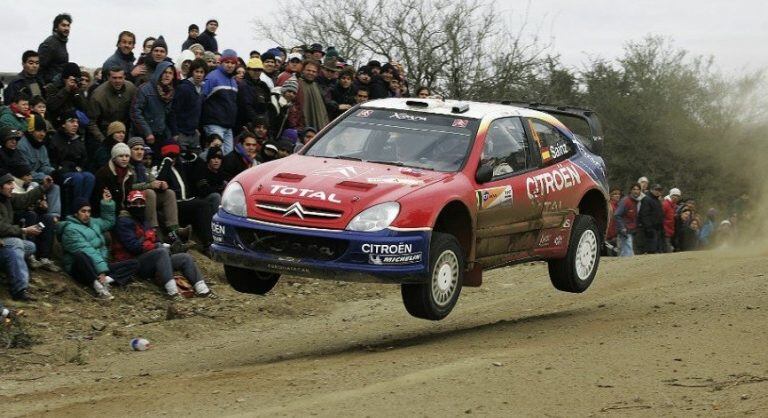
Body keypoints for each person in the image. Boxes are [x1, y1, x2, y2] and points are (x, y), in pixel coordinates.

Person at [112, 190, 213, 300]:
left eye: (141, 203)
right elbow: (133, 247)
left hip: (153, 260)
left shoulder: (144, 221)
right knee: (161, 251)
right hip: (133, 263)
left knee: (185, 258)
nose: (139, 206)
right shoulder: (123, 222)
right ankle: (172, 292)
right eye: (135, 203)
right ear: (128, 205)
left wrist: (164, 245)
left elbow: (152, 239)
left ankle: (203, 290)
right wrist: (156, 246)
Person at [59, 191, 139, 300]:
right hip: (81, 268)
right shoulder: (70, 229)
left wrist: (107, 204)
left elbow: (109, 222)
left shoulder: (93, 222)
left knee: (134, 263)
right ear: (75, 213)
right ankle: (99, 288)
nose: (87, 214)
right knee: (80, 256)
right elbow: (87, 250)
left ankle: (106, 280)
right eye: (83, 211)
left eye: (89, 211)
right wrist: (101, 270)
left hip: (99, 265)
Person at [0, 168, 55, 301]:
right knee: (17, 243)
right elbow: (1, 227)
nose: (13, 186)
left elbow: (24, 199)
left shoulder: (7, 198)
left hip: (3, 243)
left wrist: (43, 188)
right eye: (9, 184)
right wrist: (23, 230)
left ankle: (9, 273)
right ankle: (19, 290)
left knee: (30, 246)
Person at [153, 143, 214, 252]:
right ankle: (208, 244)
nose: (173, 159)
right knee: (202, 205)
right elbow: (158, 182)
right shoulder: (159, 167)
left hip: (187, 202)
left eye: (175, 156)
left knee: (208, 202)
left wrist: (188, 154)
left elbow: (197, 163)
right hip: (173, 205)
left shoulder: (181, 167)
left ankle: (208, 242)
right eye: (170, 156)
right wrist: (166, 162)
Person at [126, 137, 186, 241]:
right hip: (132, 200)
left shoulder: (142, 167)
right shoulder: (127, 166)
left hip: (146, 198)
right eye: (136, 149)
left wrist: (161, 184)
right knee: (150, 193)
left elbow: (152, 180)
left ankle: (174, 230)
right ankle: (153, 229)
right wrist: (149, 185)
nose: (140, 152)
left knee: (169, 193)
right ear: (129, 151)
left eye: (141, 149)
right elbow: (129, 187)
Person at [10, 163, 60, 272]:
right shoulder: (12, 186)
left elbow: (37, 203)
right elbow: (20, 202)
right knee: (30, 215)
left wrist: (41, 205)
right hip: (18, 218)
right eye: (27, 175)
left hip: (34, 215)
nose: (30, 177)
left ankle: (44, 257)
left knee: (48, 218)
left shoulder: (32, 185)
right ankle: (30, 256)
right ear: (20, 176)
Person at [48, 111, 95, 215]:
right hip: (61, 174)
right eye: (72, 121)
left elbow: (84, 160)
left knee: (90, 177)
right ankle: (75, 211)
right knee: (78, 178)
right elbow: (53, 161)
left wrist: (80, 167)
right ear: (63, 124)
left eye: (77, 122)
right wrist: (63, 169)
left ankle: (84, 207)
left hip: (76, 171)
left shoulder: (78, 140)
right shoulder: (55, 139)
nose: (75, 124)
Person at [17, 115, 62, 218]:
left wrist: (52, 172)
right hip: (25, 181)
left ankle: (53, 217)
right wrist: (44, 177)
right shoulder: (22, 145)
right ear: (31, 131)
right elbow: (26, 172)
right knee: (36, 185)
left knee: (55, 187)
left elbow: (45, 165)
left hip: (39, 179)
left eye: (44, 131)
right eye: (39, 131)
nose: (42, 134)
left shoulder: (41, 146)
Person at [131, 61, 177, 149]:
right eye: (164, 72)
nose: (167, 75)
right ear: (159, 73)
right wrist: (147, 132)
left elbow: (168, 115)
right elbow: (135, 112)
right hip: (143, 136)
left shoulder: (171, 92)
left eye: (170, 73)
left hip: (161, 134)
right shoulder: (144, 89)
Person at [201, 49, 239, 154]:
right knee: (215, 154)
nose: (230, 65)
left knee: (228, 157)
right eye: (227, 62)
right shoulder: (212, 77)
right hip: (214, 124)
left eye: (232, 63)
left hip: (228, 126)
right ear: (221, 62)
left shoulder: (233, 81)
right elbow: (202, 99)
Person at [88, 68, 136, 143]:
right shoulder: (98, 95)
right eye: (114, 78)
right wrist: (103, 140)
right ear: (108, 78)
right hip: (106, 131)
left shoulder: (131, 88)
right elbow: (91, 122)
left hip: (126, 129)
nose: (117, 81)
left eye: (120, 78)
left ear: (124, 77)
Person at [173, 59, 206, 152]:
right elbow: (174, 111)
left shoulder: (201, 89)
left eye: (201, 72)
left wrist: (196, 128)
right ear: (192, 72)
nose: (199, 74)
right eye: (196, 71)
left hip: (193, 133)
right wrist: (175, 133)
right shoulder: (184, 88)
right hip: (181, 133)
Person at [43, 62, 88, 127]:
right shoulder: (52, 87)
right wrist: (66, 90)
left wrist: (76, 92)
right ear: (64, 78)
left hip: (75, 126)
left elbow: (84, 108)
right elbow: (51, 106)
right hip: (58, 125)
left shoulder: (78, 88)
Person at [237, 58, 271, 135]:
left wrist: (264, 121)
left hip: (261, 124)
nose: (257, 72)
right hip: (246, 124)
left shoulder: (263, 85)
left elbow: (268, 104)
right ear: (248, 70)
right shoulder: (243, 85)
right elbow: (245, 106)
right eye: (254, 70)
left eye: (259, 70)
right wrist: (257, 120)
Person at [191, 145, 227, 215]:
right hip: (201, 199)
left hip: (215, 197)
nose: (216, 161)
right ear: (209, 159)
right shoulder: (201, 170)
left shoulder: (221, 172)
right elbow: (204, 191)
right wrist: (221, 188)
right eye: (213, 158)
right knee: (216, 196)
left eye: (219, 158)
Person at [294, 60, 329, 131]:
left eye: (314, 71)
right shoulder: (297, 84)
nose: (311, 73)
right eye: (308, 70)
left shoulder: (316, 86)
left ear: (317, 73)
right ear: (303, 70)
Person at [38, 14, 72, 83]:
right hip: (51, 88)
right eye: (63, 25)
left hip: (59, 86)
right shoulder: (50, 43)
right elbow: (39, 68)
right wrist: (45, 88)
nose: (67, 28)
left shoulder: (61, 42)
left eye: (68, 25)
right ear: (56, 27)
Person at [614, 184, 642, 257]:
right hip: (625, 232)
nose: (636, 191)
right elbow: (617, 214)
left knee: (625, 253)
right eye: (634, 189)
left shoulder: (637, 202)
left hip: (632, 231)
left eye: (638, 189)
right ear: (630, 191)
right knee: (628, 254)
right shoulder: (626, 201)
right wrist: (622, 228)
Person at [636, 184, 664, 254]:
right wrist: (648, 228)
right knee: (651, 249)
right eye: (656, 190)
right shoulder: (647, 199)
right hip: (650, 229)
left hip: (657, 228)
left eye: (659, 190)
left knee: (657, 248)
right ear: (651, 190)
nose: (658, 192)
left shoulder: (657, 200)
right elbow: (644, 215)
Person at [662, 187, 681, 252]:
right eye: (674, 195)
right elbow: (661, 217)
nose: (676, 197)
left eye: (678, 196)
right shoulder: (665, 204)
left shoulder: (674, 206)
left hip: (670, 231)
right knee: (668, 251)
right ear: (671, 195)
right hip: (665, 231)